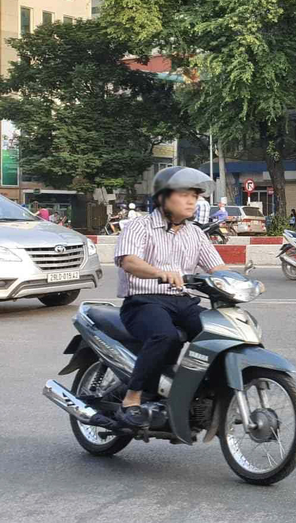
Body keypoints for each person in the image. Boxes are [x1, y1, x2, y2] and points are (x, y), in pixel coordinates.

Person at [114, 167, 228, 427]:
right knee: (164, 335)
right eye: (185, 194)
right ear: (162, 198)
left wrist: (241, 281)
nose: (192, 201)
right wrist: (159, 273)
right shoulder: (139, 226)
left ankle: (193, 391)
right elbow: (129, 261)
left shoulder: (195, 233)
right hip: (144, 301)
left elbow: (216, 267)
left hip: (182, 301)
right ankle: (132, 398)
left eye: (195, 196)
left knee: (220, 332)